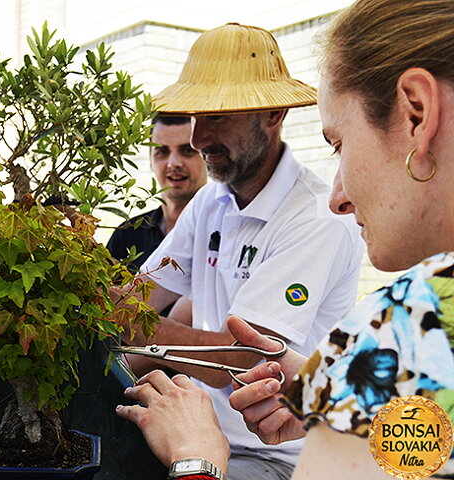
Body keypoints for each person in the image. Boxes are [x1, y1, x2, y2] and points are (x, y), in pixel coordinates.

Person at [116, 1, 454, 479]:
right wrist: (329, 394)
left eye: (339, 145)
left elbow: (238, 355)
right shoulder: (418, 320)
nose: (338, 198)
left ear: (417, 113)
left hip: (262, 458)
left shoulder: (402, 324)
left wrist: (196, 461)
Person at [114, 22, 364, 480]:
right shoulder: (213, 200)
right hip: (204, 432)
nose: (197, 138)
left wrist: (140, 334)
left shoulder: (316, 217)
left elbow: (248, 358)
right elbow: (138, 298)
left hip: (275, 456)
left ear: (274, 114)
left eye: (217, 116)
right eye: (195, 116)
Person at [107, 115, 208, 273]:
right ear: (150, 160)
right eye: (162, 151)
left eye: (187, 151)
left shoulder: (224, 232)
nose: (173, 163)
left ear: (207, 157)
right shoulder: (127, 234)